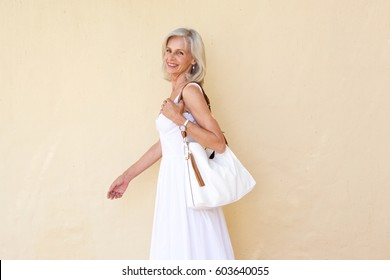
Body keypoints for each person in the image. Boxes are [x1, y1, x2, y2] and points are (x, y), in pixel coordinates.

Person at [107, 28, 234, 260]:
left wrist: (179, 119)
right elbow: (164, 145)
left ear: (193, 59)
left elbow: (219, 143)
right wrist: (127, 177)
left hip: (187, 184)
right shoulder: (175, 92)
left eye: (179, 53)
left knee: (192, 248)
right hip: (172, 181)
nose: (171, 58)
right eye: (168, 51)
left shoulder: (191, 91)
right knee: (177, 249)